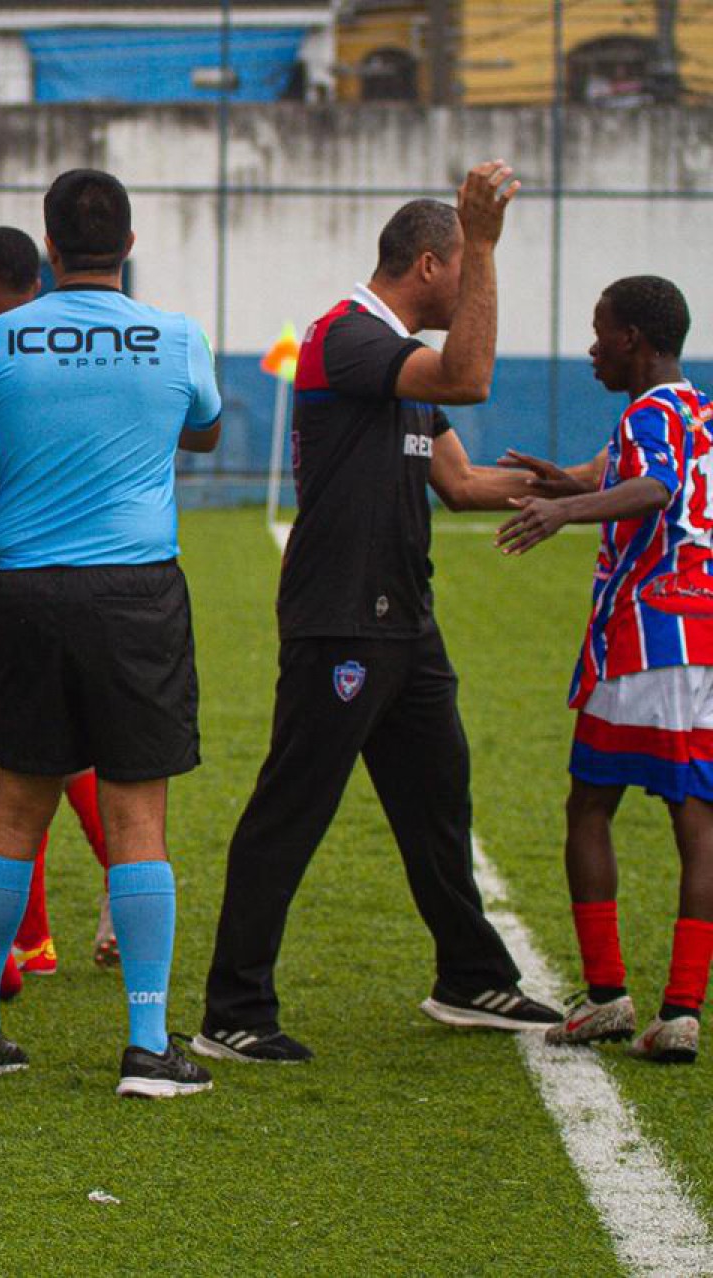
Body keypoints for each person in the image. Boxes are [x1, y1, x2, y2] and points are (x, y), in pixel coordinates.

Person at [197, 163, 564, 1065]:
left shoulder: (396, 361)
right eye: (467, 266)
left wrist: (600, 486)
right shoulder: (351, 338)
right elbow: (471, 377)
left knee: (439, 801)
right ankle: (232, 1012)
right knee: (293, 807)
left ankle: (469, 978)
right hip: (343, 619)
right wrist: (488, 242)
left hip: (405, 620)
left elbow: (466, 482)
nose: (475, 280)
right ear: (434, 265)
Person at [0, 170, 223, 1097]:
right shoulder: (175, 335)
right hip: (136, 593)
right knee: (138, 815)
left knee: (16, 807)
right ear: (128, 245)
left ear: (48, 248)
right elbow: (205, 431)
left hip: (29, 595)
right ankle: (145, 1045)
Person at [497, 276, 712, 1065]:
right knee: (697, 822)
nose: (592, 348)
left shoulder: (649, 411)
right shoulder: (701, 411)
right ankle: (682, 1010)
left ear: (636, 341)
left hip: (646, 640)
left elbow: (656, 487)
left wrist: (563, 511)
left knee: (589, 806)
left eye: (601, 332)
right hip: (703, 641)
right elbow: (661, 479)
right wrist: (574, 481)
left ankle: (606, 997)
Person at [0, 224, 114, 973]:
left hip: (12, 566)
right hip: (109, 572)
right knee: (55, 747)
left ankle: (30, 938)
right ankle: (45, 928)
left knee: (24, 757)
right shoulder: (81, 342)